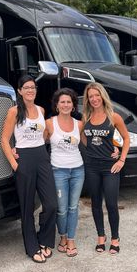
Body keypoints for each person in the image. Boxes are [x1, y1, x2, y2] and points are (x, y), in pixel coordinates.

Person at [1, 75, 57, 263]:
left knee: (51, 204)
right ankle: (32, 247)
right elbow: (4, 140)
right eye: (26, 87)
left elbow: (45, 137)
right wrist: (15, 164)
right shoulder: (14, 111)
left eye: (33, 87)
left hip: (42, 157)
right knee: (26, 208)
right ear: (20, 91)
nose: (30, 90)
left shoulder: (41, 110)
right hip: (24, 159)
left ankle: (45, 239)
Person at [81, 82, 130, 255]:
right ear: (87, 99)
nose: (94, 99)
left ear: (102, 96)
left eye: (96, 95)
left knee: (111, 203)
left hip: (110, 168)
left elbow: (126, 138)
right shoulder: (85, 118)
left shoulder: (114, 117)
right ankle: (101, 237)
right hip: (92, 167)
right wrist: (96, 149)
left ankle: (115, 238)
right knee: (95, 204)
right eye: (90, 96)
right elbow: (84, 139)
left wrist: (121, 159)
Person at [45, 88, 85, 257]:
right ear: (56, 105)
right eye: (62, 102)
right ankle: (62, 236)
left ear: (73, 105)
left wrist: (113, 149)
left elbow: (89, 144)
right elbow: (38, 145)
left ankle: (71, 240)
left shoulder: (79, 124)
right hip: (58, 171)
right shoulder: (49, 123)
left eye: (69, 102)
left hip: (78, 170)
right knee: (61, 209)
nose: (66, 105)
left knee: (73, 207)